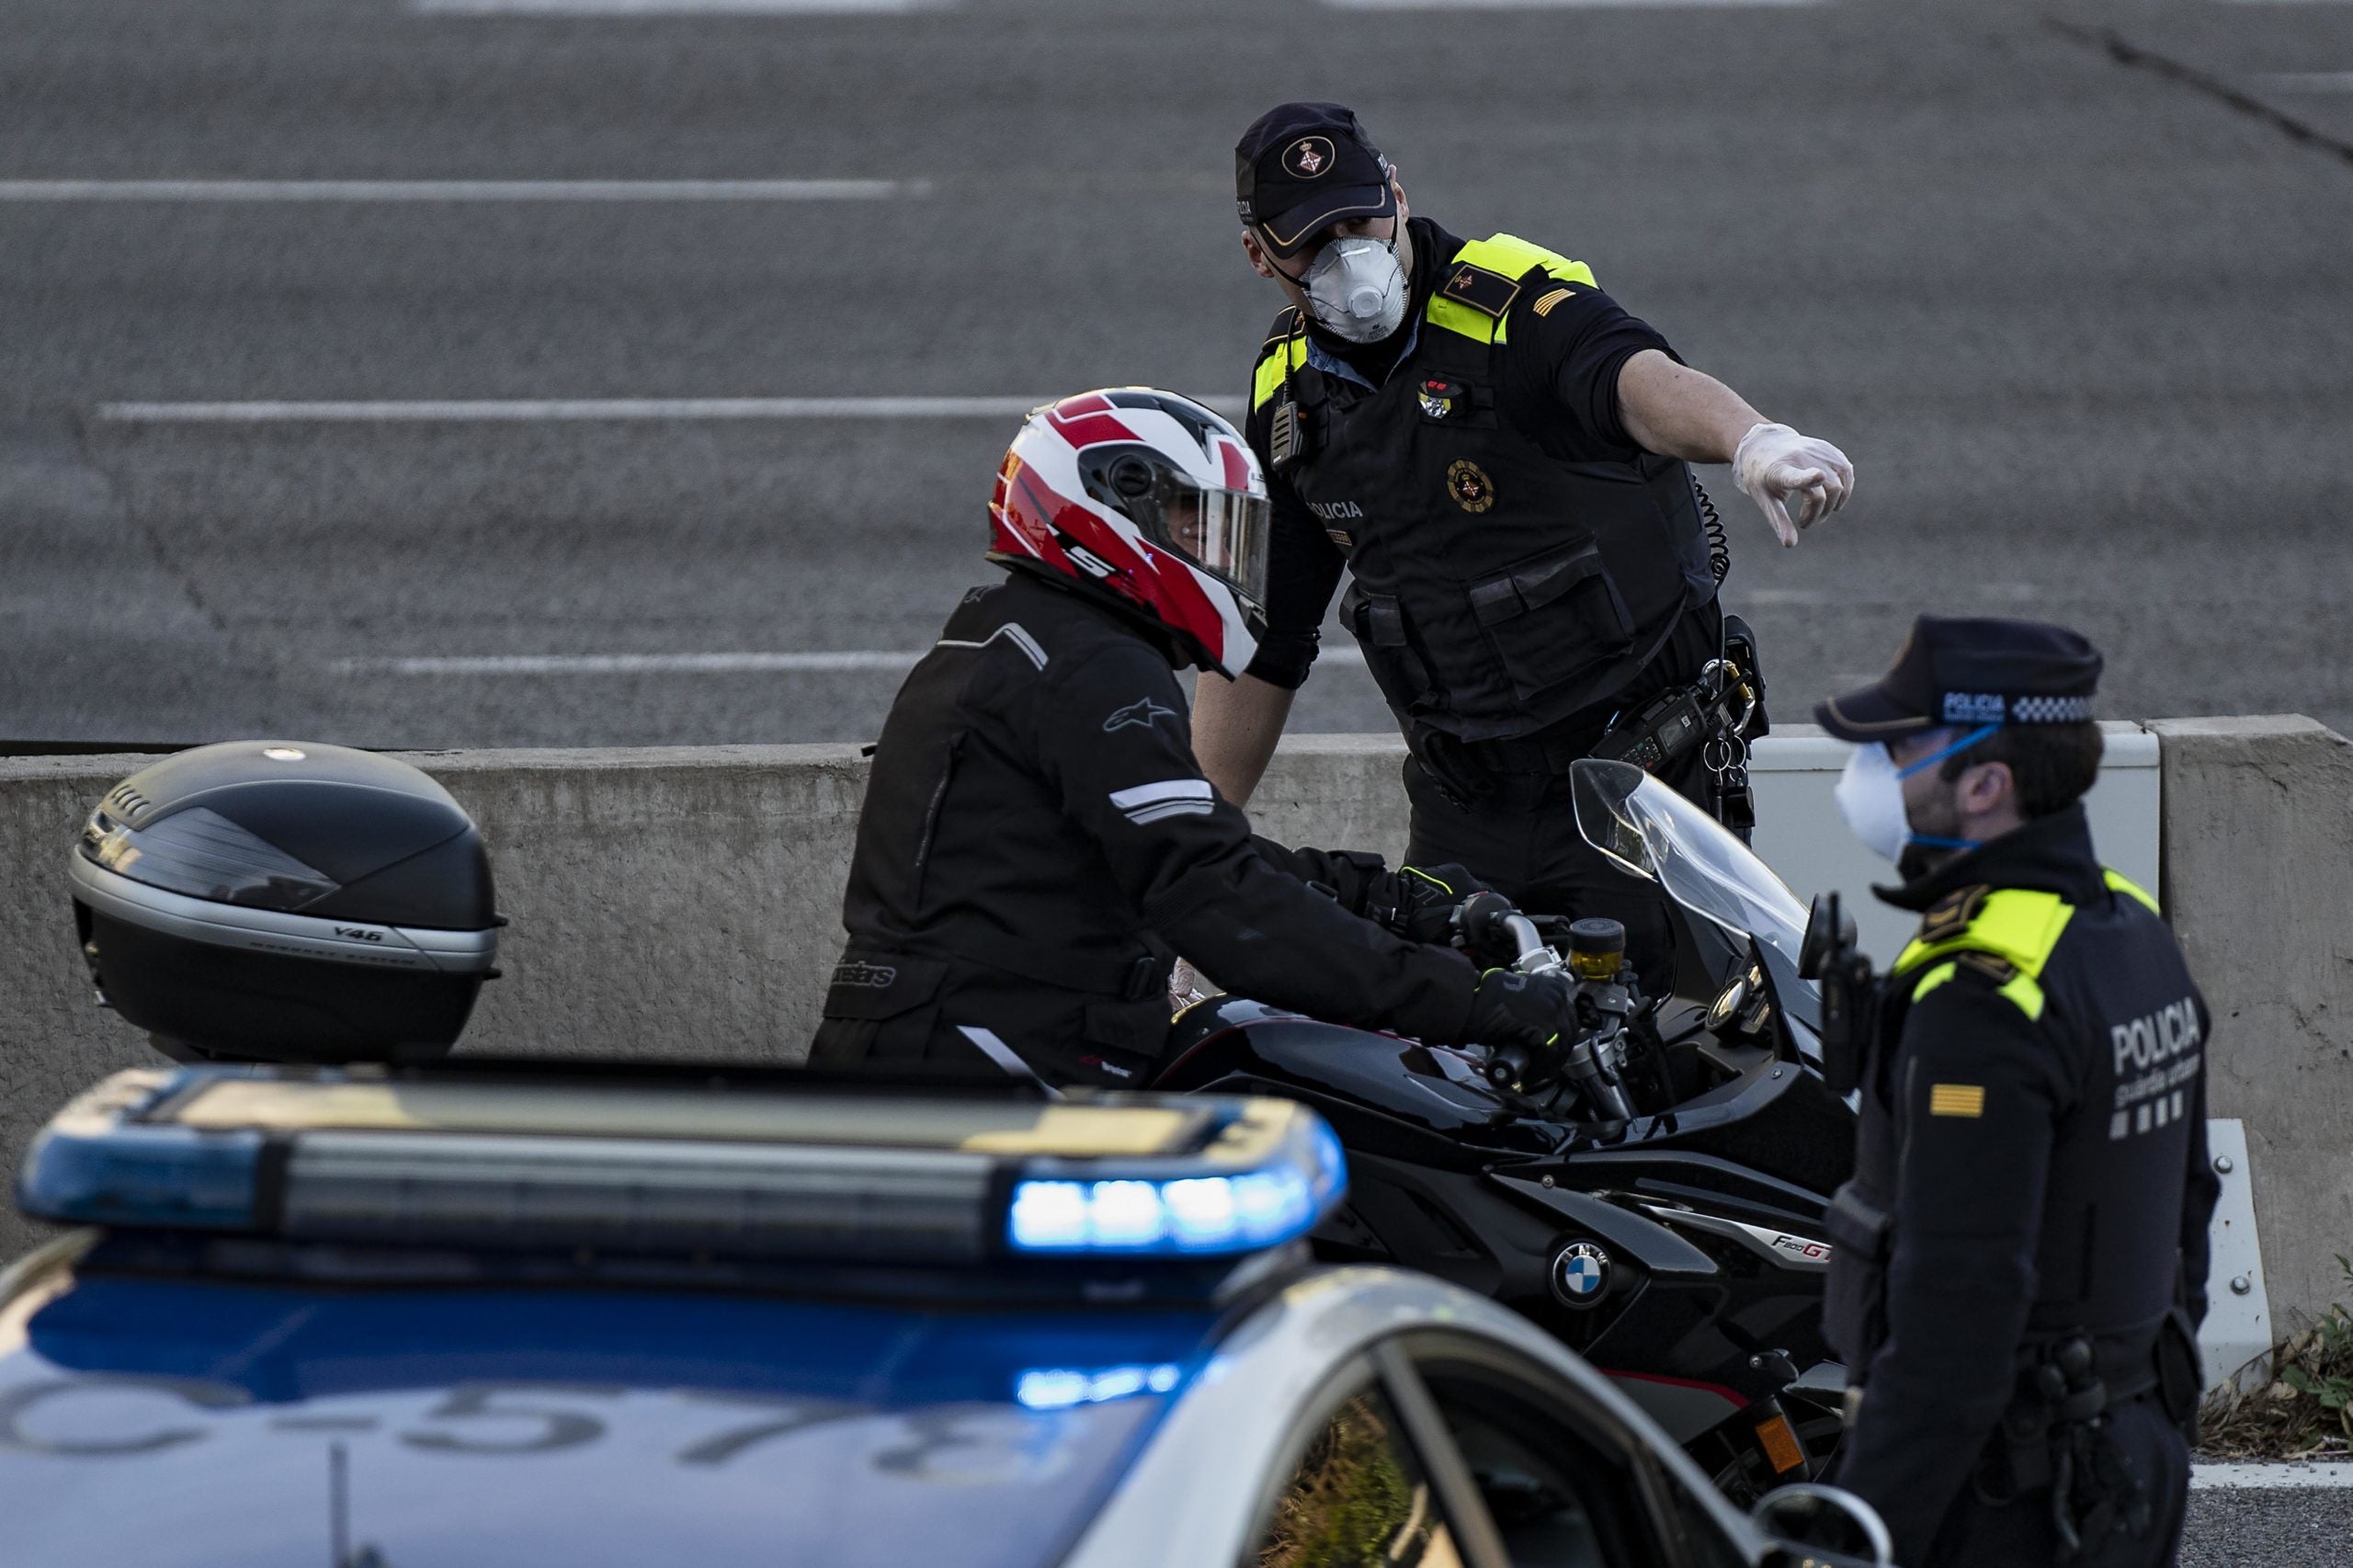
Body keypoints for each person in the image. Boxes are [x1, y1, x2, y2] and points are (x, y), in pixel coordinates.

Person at [1193, 101, 1856, 997]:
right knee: (1467, 1069)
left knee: (1672, 1059)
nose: (1347, 256)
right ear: (1259, 256)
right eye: (1312, 240)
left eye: (1359, 219)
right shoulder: (1288, 401)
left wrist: (1748, 439)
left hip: (1635, 792)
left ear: (1395, 191)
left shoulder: (1510, 307)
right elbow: (1260, 648)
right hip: (1467, 810)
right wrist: (1191, 857)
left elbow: (1634, 379)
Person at [807, 388, 1577, 1089]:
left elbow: (1180, 856)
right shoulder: (1088, 666)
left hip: (939, 1053)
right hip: (987, 1075)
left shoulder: (1010, 642)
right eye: (1194, 526)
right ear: (1107, 508)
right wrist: (1476, 1002)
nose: (1217, 557)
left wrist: (1384, 899)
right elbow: (1221, 904)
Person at [1813, 617, 2219, 1568]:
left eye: (1900, 746)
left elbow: (1957, 1318)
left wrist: (1855, 1533)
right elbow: (2189, 1212)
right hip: (2122, 1456)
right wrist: (2151, 1421)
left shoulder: (1984, 997)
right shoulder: (2127, 926)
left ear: (1984, 782)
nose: (1875, 768)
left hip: (2011, 1494)